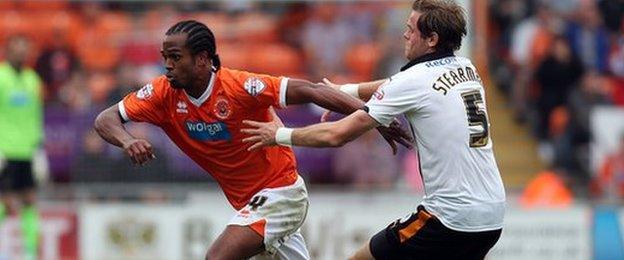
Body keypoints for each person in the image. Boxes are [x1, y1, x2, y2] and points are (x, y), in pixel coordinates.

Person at [94, 20, 411, 260]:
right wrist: (126, 141)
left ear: (203, 59)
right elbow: (106, 119)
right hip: (248, 202)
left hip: (280, 193)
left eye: (175, 57)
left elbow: (312, 90)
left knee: (216, 257)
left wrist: (373, 115)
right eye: (165, 57)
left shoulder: (241, 87)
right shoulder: (162, 94)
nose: (168, 65)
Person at [242, 1, 506, 259]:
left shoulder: (413, 81)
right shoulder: (467, 67)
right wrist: (344, 91)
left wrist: (278, 135)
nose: (405, 34)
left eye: (412, 29)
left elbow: (337, 135)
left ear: (432, 39)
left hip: (449, 218)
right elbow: (395, 84)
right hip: (492, 215)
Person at [0, 35, 43, 259]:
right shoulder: (1, 77)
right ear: (7, 51)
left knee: (29, 199)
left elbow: (36, 115)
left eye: (25, 49)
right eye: (17, 48)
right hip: (4, 149)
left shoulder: (32, 79)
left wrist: (39, 149)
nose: (21, 53)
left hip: (27, 150)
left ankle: (30, 252)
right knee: (6, 204)